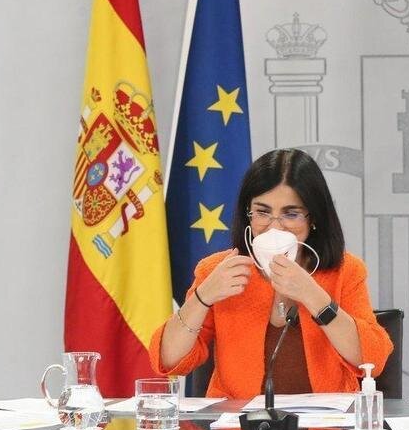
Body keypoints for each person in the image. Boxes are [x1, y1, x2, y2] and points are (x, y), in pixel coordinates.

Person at [149, 149, 393, 399]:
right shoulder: (217, 270)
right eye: (262, 212)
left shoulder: (346, 270)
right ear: (248, 214)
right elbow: (168, 359)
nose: (274, 226)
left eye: (291, 214)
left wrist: (313, 296)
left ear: (314, 218)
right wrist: (202, 298)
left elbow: (372, 360)